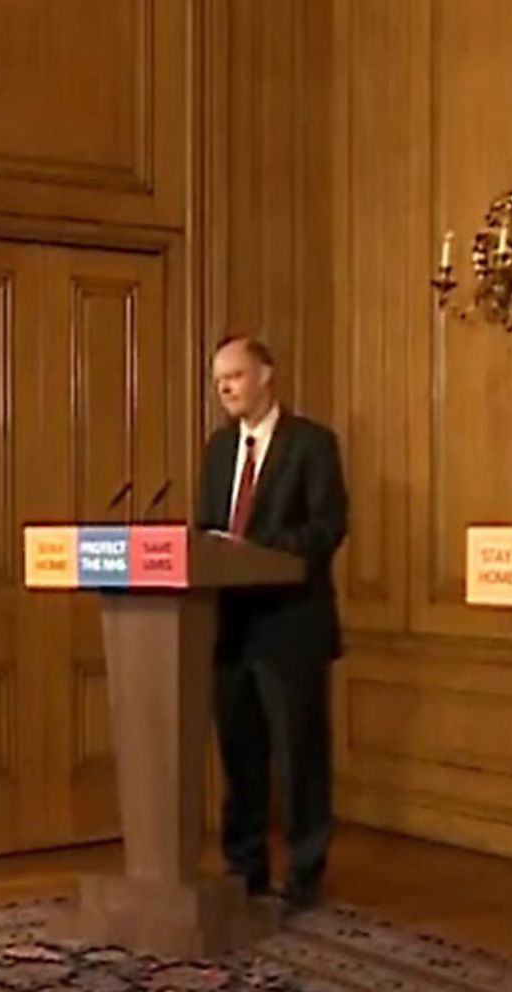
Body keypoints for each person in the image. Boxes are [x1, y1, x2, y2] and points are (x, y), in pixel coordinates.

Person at [194, 334, 349, 913]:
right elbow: (207, 528)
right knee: (240, 752)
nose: (225, 388)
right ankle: (246, 867)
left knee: (299, 753)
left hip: (291, 626)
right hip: (230, 627)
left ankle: (305, 871)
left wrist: (256, 552)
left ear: (267, 375)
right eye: (218, 381)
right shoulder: (216, 449)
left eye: (234, 376)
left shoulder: (312, 444)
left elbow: (327, 527)